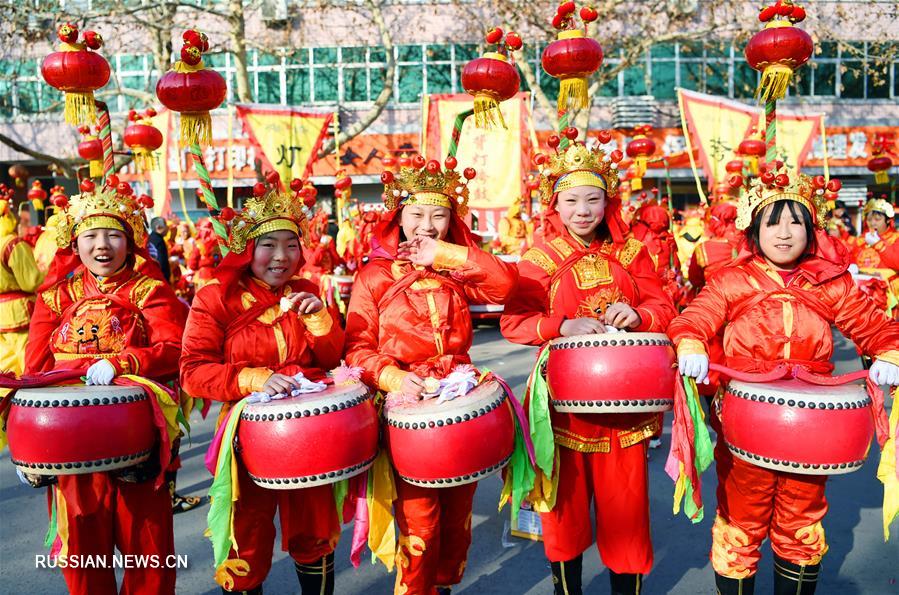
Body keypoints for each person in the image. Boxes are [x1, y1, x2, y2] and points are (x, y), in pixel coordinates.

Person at [669, 167, 899, 594]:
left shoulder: (832, 282)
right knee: (742, 519)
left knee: (802, 520)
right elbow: (693, 318)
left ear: (812, 230)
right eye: (773, 221)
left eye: (796, 221)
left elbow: (875, 326)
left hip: (811, 428)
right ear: (755, 229)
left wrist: (889, 352)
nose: (785, 232)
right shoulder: (732, 280)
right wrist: (691, 346)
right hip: (746, 422)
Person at [500, 134, 677, 595]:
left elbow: (666, 308)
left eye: (593, 199)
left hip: (625, 410)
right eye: (571, 200)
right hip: (561, 411)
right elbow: (514, 323)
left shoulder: (632, 254)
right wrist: (561, 327)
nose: (583, 210)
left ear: (607, 201)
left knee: (628, 517)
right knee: (564, 518)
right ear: (554, 205)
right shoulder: (539, 260)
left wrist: (639, 315)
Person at [344, 156, 517, 595]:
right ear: (398, 218)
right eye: (416, 214)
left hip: (458, 398)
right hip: (407, 403)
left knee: (458, 519)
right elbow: (357, 348)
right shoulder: (375, 275)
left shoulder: (455, 268)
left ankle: (442, 587)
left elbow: (505, 286)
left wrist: (445, 254)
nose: (426, 224)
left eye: (439, 215)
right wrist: (394, 379)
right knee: (420, 520)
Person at [180, 177, 344, 595]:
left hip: (307, 432)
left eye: (291, 245)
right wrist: (253, 378)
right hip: (245, 436)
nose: (281, 257)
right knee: (246, 536)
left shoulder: (307, 291)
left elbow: (332, 360)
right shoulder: (216, 297)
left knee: (314, 531)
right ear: (247, 249)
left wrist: (320, 320)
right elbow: (194, 371)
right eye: (268, 245)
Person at [24, 177, 186, 595]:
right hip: (73, 445)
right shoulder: (55, 299)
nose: (102, 245)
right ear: (75, 242)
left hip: (139, 440)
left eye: (113, 234)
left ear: (130, 241)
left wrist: (125, 363)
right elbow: (35, 371)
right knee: (83, 554)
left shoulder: (151, 291)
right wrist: (30, 447)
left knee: (147, 552)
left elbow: (174, 351)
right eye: (91, 235)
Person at [0, 185, 44, 379]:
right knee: (28, 361)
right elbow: (31, 281)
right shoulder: (12, 243)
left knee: (5, 363)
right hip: (19, 311)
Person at [148, 216, 172, 282]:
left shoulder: (151, 238)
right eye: (165, 225)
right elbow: (162, 261)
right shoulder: (158, 240)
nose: (167, 227)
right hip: (160, 276)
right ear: (158, 227)